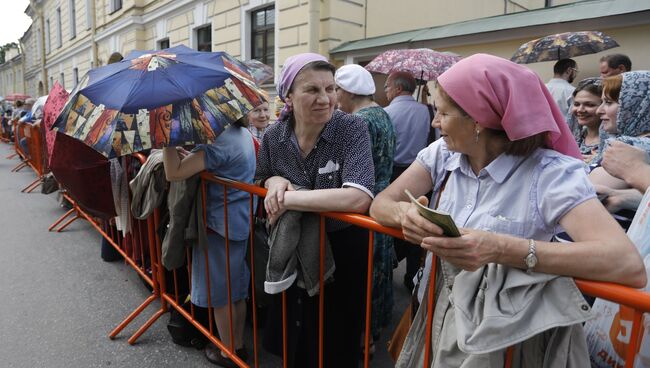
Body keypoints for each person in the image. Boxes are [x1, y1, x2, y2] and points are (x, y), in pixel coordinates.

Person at [369, 53, 645, 367]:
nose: (434, 122)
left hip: (506, 338)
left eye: (442, 113)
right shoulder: (441, 154)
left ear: (478, 119)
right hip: (436, 313)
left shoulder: (550, 174)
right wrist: (407, 216)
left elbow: (625, 264)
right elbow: (381, 204)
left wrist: (500, 248)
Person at [256, 53, 375, 367]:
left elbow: (358, 197)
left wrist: (290, 198)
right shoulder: (274, 136)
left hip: (343, 249)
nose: (326, 99)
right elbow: (260, 177)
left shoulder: (351, 129)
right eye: (312, 90)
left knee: (336, 339)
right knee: (297, 333)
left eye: (331, 89)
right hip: (293, 248)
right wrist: (274, 179)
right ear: (289, 97)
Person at [162, 115, 257, 368]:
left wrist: (166, 140)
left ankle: (227, 352)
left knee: (220, 294)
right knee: (235, 289)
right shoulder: (241, 133)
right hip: (238, 220)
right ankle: (237, 345)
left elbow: (174, 172)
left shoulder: (221, 141)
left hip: (220, 225)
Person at [334, 63, 396, 352]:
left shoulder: (358, 121)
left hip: (363, 202)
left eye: (336, 90)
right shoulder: (382, 113)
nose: (334, 97)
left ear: (347, 92)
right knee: (379, 267)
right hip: (383, 198)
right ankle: (372, 334)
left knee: (364, 272)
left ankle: (362, 339)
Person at [383, 71, 431, 291]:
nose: (385, 91)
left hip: (393, 173)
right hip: (421, 174)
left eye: (387, 87)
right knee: (419, 227)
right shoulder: (427, 111)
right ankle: (412, 275)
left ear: (398, 88)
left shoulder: (386, 113)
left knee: (390, 224)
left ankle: (387, 268)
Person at [590, 71, 650, 213]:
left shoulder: (630, 146)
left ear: (636, 105)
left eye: (609, 102)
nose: (599, 110)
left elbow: (584, 192)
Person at [567, 78, 602, 164]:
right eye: (576, 104)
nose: (580, 110)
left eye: (589, 105)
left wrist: (599, 162)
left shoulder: (613, 143)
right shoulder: (576, 137)